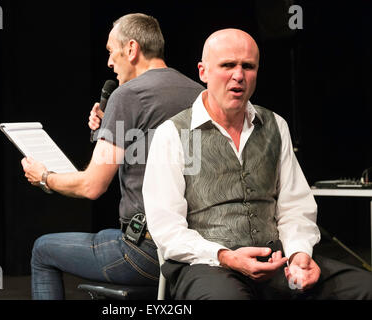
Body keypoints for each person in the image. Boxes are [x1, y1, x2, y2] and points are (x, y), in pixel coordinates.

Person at [142, 28, 372, 300]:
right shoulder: (173, 134)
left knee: (365, 287)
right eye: (228, 65)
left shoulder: (275, 125)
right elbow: (167, 229)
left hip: (275, 262)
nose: (238, 75)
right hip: (207, 265)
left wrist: (299, 255)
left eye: (248, 66)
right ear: (203, 72)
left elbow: (295, 206)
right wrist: (226, 256)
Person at [21, 13, 204, 299]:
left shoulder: (128, 94)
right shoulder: (199, 93)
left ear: (131, 49)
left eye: (110, 51)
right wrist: (109, 125)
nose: (108, 62)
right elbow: (151, 146)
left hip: (145, 254)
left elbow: (92, 186)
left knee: (43, 249)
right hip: (196, 250)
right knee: (108, 236)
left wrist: (45, 177)